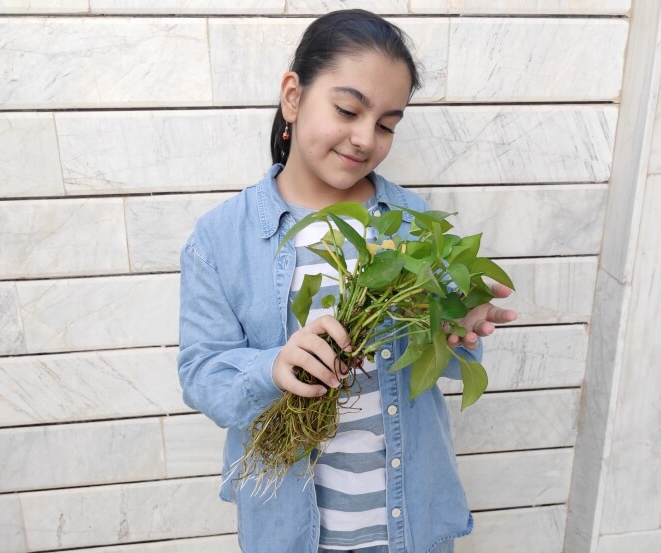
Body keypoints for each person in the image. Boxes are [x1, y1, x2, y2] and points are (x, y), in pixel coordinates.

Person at [178, 9, 517, 553]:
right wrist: (272, 367)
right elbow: (201, 373)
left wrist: (456, 326)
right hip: (290, 532)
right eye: (347, 110)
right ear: (293, 96)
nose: (365, 139)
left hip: (408, 526)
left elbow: (438, 363)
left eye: (386, 125)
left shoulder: (411, 222)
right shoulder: (221, 238)